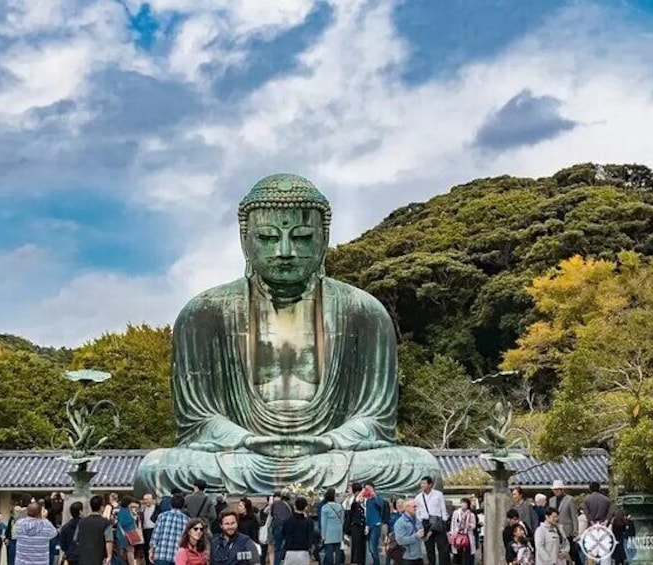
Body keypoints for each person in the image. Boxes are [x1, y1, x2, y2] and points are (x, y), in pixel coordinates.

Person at [132, 174, 439, 495]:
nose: (284, 251)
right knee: (158, 468)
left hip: (331, 455)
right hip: (244, 455)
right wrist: (246, 440)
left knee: (418, 467)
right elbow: (198, 420)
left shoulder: (364, 312)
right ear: (244, 240)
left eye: (302, 237)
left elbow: (375, 418)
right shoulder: (204, 313)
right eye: (267, 237)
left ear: (323, 239)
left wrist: (331, 440)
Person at [415, 477, 449, 565]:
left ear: (430, 484)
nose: (422, 485)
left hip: (438, 522)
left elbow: (443, 508)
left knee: (443, 547)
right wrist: (420, 525)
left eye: (424, 483)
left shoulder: (438, 494)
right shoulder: (418, 497)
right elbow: (417, 512)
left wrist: (444, 522)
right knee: (429, 548)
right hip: (426, 523)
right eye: (421, 483)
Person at [152, 495, 191, 565]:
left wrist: (151, 550)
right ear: (183, 506)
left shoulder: (162, 516)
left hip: (161, 554)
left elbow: (155, 536)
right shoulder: (187, 520)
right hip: (178, 557)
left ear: (170, 504)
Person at [77, 496, 114, 565]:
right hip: (99, 557)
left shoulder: (82, 522)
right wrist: (109, 556)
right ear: (101, 507)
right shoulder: (106, 523)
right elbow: (108, 540)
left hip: (84, 557)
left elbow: (76, 539)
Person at [280, 498, 313, 565]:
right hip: (304, 551)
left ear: (294, 506)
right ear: (305, 507)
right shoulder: (309, 522)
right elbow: (310, 536)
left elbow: (283, 533)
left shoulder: (287, 521)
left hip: (290, 551)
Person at [393, 500, 425, 565]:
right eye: (414, 506)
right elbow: (400, 541)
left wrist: (425, 535)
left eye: (416, 506)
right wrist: (416, 536)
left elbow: (421, 535)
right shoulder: (400, 522)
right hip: (407, 558)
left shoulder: (417, 520)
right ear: (407, 507)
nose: (416, 508)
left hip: (419, 556)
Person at [448, 498, 476, 565]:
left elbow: (473, 525)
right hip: (457, 535)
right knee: (457, 553)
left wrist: (467, 525)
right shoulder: (456, 513)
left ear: (467, 505)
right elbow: (453, 524)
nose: (463, 505)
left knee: (467, 554)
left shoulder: (471, 514)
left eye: (465, 504)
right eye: (462, 503)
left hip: (467, 536)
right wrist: (452, 534)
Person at [320, 489, 344, 565]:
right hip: (338, 531)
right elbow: (342, 520)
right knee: (338, 551)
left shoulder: (325, 507)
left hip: (329, 532)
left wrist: (323, 535)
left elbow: (324, 523)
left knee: (329, 552)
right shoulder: (340, 506)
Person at [344, 485, 367, 565]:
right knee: (356, 547)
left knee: (362, 547)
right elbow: (351, 509)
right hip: (355, 526)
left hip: (364, 526)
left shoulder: (365, 501)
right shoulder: (351, 501)